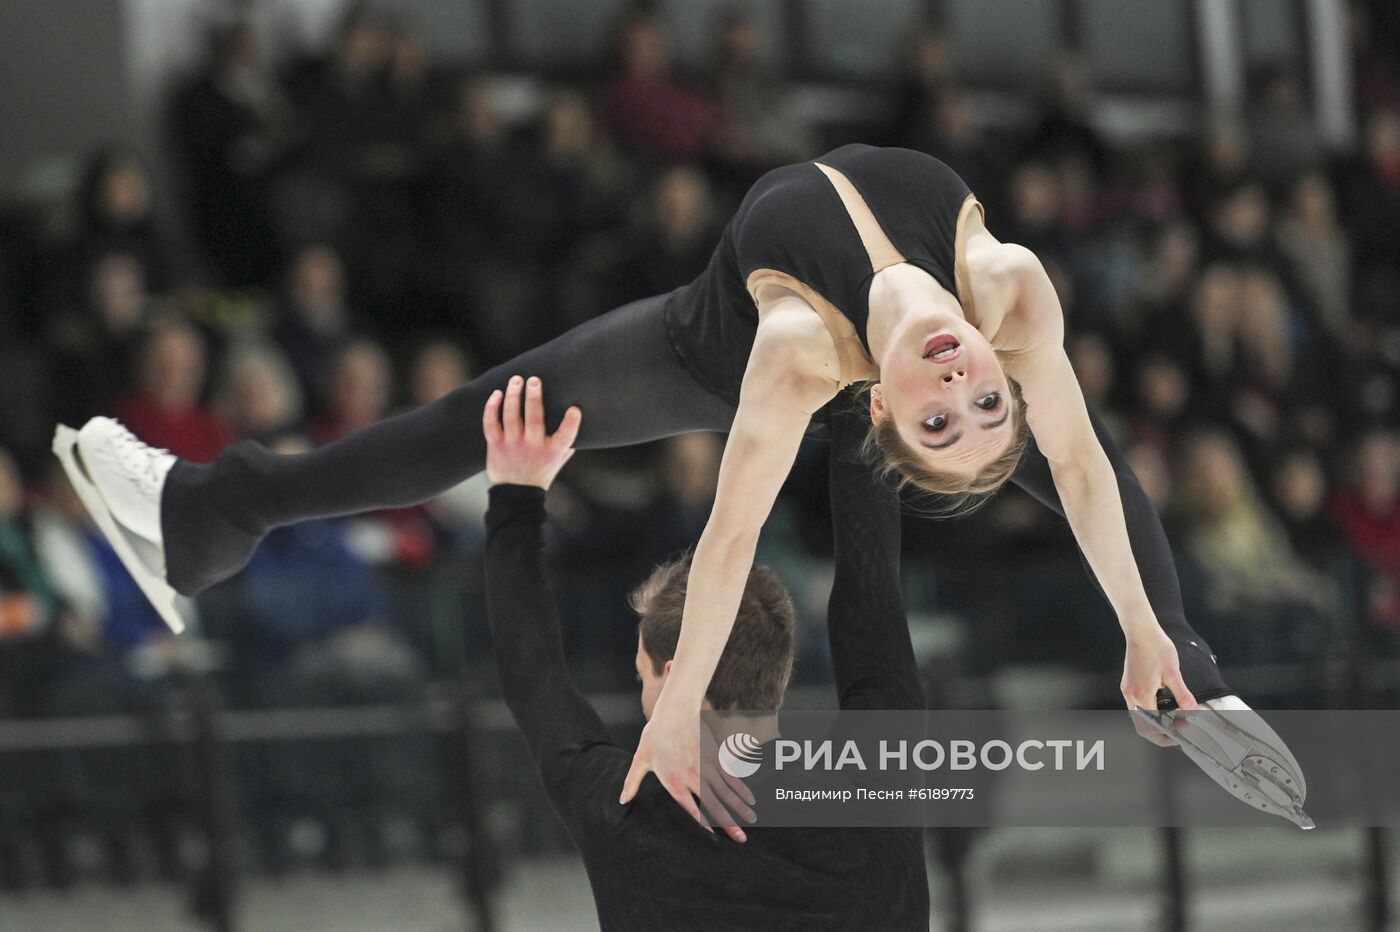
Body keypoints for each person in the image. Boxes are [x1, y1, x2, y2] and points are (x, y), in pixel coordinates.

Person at [62, 143, 1270, 827]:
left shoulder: (799, 356)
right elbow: (1079, 462)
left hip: (702, 348)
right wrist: (1151, 632)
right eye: (984, 402)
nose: (959, 387)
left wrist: (679, 706)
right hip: (790, 306)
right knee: (1070, 455)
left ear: (881, 408)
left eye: (936, 420)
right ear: (1003, 370)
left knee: (481, 422)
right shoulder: (1009, 290)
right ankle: (205, 521)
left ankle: (207, 508)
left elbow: (730, 537)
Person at [480, 379, 928, 930]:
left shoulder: (626, 807)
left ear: (675, 678)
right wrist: (859, 392)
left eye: (642, 677)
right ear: (778, 668)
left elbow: (533, 673)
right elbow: (872, 593)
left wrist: (516, 495)